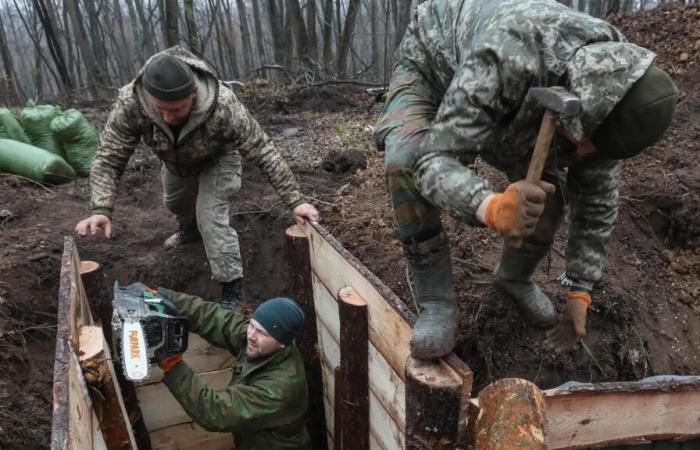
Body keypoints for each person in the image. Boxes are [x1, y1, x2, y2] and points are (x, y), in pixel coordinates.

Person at [374, 0, 677, 358]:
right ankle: (436, 300)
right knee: (405, 160)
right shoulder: (506, 55)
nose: (583, 152)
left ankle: (513, 277)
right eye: (586, 140)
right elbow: (434, 160)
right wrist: (492, 207)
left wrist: (580, 289)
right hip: (432, 64)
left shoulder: (615, 84)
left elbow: (597, 199)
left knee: (547, 190)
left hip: (517, 98)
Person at [74, 46, 319, 308]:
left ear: (193, 94)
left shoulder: (222, 105)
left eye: (177, 110)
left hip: (219, 159)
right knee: (175, 203)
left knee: (210, 215)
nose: (168, 117)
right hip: (176, 162)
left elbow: (263, 151)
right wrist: (101, 208)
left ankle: (232, 291)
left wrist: (295, 200)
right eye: (161, 110)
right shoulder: (132, 102)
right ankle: (189, 232)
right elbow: (109, 155)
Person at [155, 289, 311, 450]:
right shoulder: (260, 342)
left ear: (283, 343)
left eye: (262, 333)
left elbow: (215, 413)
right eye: (252, 325)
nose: (251, 335)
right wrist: (163, 297)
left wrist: (173, 365)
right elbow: (216, 319)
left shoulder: (280, 388)